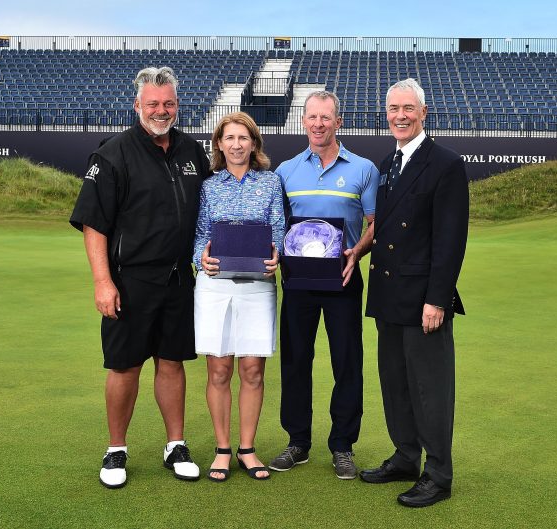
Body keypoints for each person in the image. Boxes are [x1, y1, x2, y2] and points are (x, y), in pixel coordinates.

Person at [69, 66, 211, 489]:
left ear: (177, 105)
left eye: (168, 103)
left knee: (172, 362)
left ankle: (176, 444)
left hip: (179, 280)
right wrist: (102, 282)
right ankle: (116, 450)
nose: (161, 110)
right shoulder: (112, 154)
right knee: (125, 366)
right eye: (153, 104)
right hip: (129, 282)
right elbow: (95, 225)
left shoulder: (191, 151)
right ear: (137, 105)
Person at [359, 78, 469, 508]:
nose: (400, 115)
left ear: (424, 112)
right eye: (393, 108)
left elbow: (450, 239)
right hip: (389, 294)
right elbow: (382, 229)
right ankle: (406, 457)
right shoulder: (387, 163)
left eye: (408, 108)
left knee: (430, 389)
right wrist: (356, 250)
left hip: (424, 299)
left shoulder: (445, 163)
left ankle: (438, 474)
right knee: (396, 385)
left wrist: (437, 298)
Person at [270, 90, 379, 480]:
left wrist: (357, 252)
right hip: (298, 281)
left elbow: (373, 224)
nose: (318, 124)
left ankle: (343, 446)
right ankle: (297, 441)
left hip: (343, 278)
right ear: (303, 121)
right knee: (296, 359)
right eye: (312, 117)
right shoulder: (285, 170)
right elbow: (277, 226)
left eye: (325, 117)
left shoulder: (364, 169)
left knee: (347, 362)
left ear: (338, 122)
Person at [195, 112, 284, 482]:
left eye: (243, 138)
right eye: (229, 138)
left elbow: (278, 228)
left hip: (258, 287)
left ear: (254, 143)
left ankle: (247, 449)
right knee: (219, 369)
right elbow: (200, 233)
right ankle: (222, 449)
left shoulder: (271, 182)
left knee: (252, 370)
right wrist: (199, 256)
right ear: (219, 144)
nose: (236, 145)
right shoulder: (208, 186)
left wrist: (278, 253)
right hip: (215, 286)